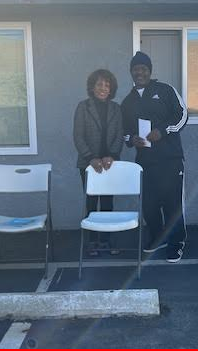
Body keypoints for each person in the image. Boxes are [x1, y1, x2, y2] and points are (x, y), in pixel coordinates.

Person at [121, 51, 188, 263]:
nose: (139, 72)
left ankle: (177, 242)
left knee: (172, 203)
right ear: (131, 72)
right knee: (149, 205)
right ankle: (159, 238)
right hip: (145, 161)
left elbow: (183, 115)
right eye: (135, 69)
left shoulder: (165, 90)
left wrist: (163, 131)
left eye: (143, 68)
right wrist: (132, 139)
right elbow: (124, 131)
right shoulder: (127, 101)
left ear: (150, 71)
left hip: (170, 158)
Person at [73, 69, 123, 256]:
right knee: (92, 203)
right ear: (92, 87)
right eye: (99, 84)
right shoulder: (83, 107)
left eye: (107, 85)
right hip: (88, 164)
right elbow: (78, 136)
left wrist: (112, 155)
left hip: (110, 163)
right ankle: (93, 242)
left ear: (111, 89)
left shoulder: (116, 109)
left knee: (108, 203)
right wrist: (90, 158)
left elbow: (119, 135)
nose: (103, 88)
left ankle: (107, 241)